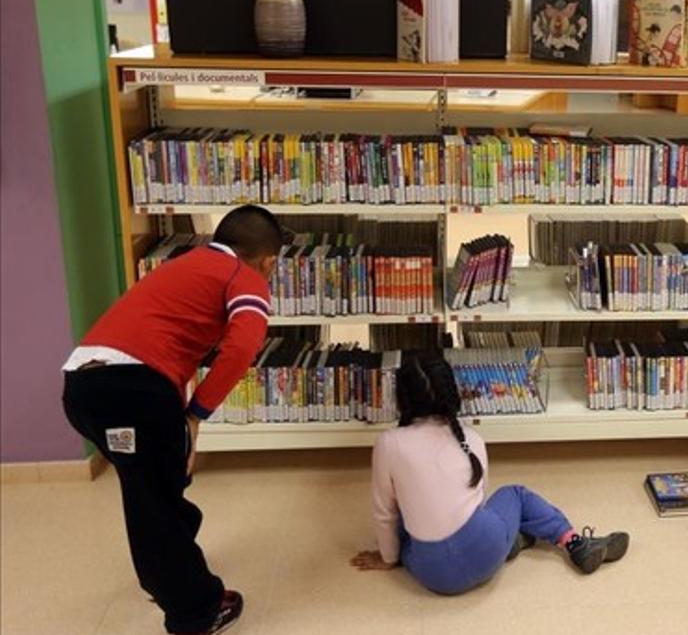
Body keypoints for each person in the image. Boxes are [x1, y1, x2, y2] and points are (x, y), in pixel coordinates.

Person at [62, 205, 286, 634]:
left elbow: (165, 347)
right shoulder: (245, 278)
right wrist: (196, 415)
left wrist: (181, 426)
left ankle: (169, 574)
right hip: (133, 392)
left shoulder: (186, 263)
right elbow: (242, 348)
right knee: (156, 502)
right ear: (269, 261)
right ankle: (194, 613)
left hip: (82, 388)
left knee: (155, 489)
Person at [351, 351, 629, 594]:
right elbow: (478, 501)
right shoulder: (472, 439)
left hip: (432, 576)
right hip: (488, 550)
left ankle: (515, 540)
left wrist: (388, 559)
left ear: (402, 398)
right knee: (515, 495)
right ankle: (573, 542)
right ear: (452, 394)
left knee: (402, 520)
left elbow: (383, 513)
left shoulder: (388, 443)